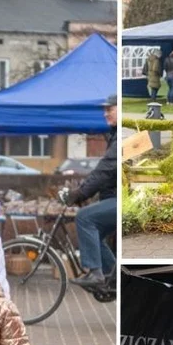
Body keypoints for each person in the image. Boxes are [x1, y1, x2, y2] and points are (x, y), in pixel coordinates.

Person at [64, 94, 118, 288]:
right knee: (95, 234)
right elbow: (106, 173)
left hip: (125, 200)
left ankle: (95, 273)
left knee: (85, 218)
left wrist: (81, 193)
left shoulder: (121, 137)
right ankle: (114, 276)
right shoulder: (115, 135)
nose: (105, 114)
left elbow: (106, 169)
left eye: (109, 109)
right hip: (118, 197)